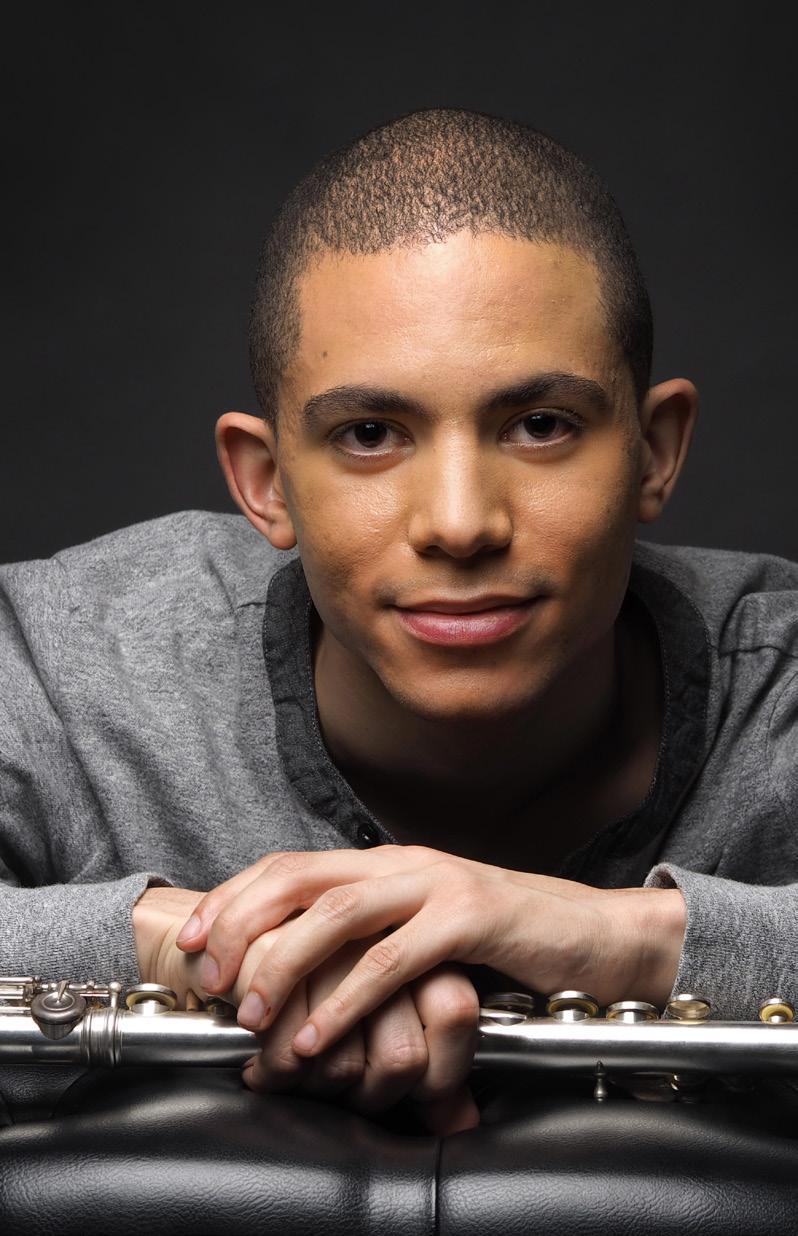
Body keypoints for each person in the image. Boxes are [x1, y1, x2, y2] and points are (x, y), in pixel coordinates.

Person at [1, 108, 796, 1136]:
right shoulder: (61, 664)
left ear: (655, 451)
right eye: (370, 434)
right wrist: (206, 942)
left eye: (541, 425)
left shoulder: (777, 680)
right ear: (266, 482)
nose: (460, 524)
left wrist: (615, 936)